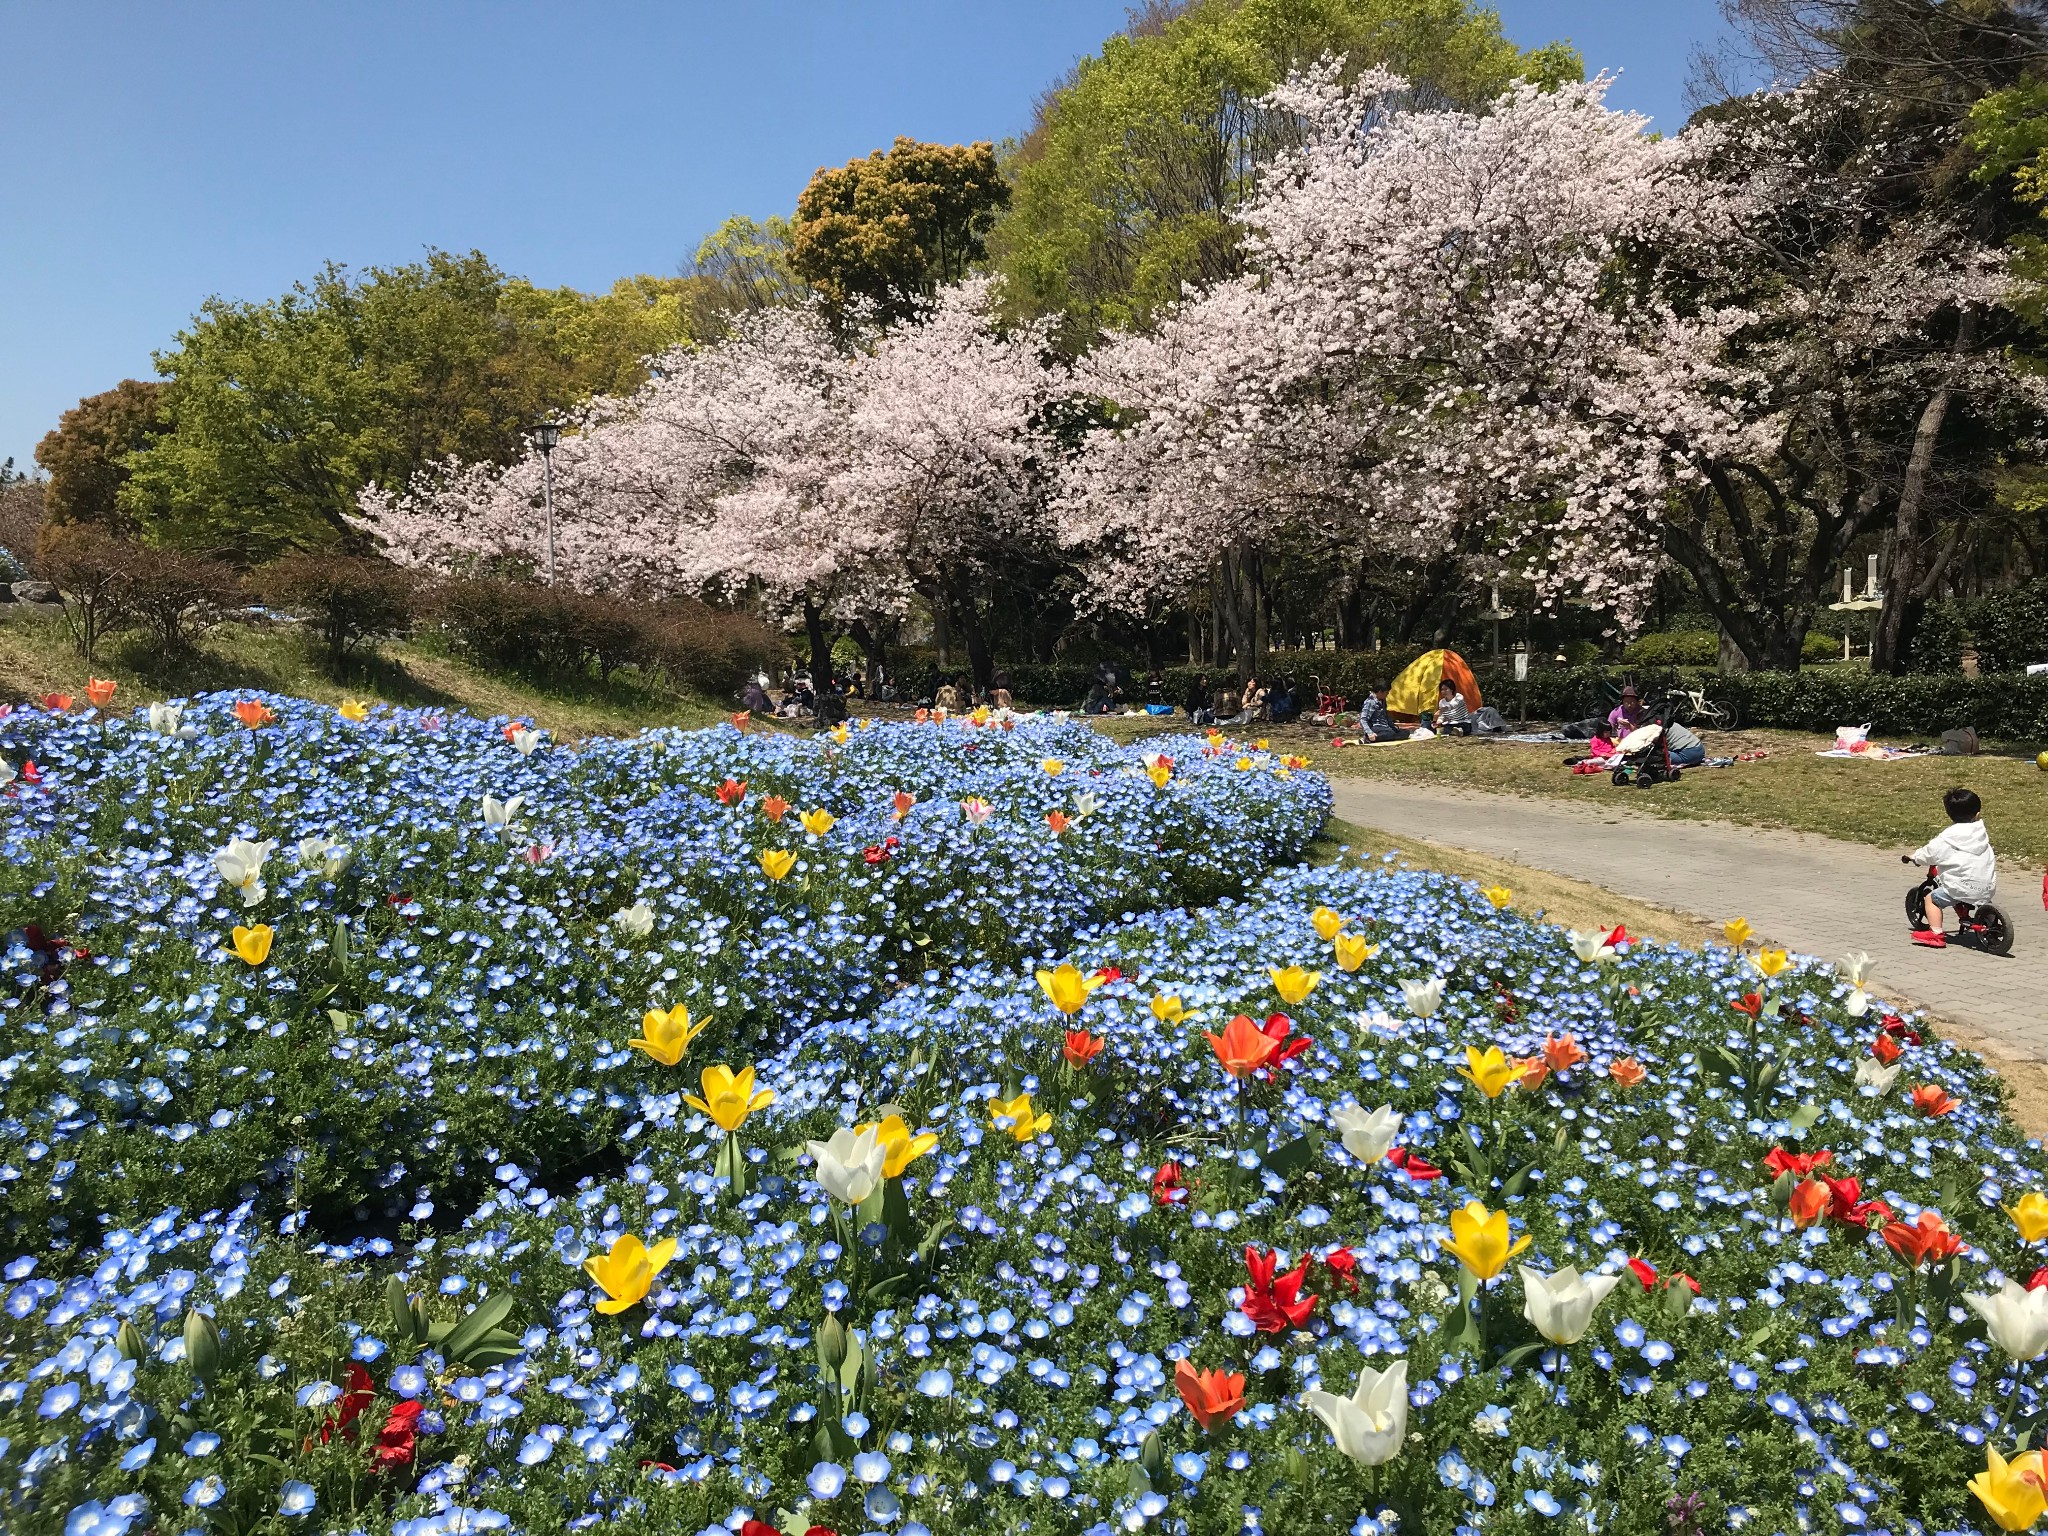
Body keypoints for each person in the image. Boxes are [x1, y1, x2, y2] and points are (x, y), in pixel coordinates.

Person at [1902, 787, 1997, 948]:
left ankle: (1936, 934)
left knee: (1931, 899)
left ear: (1949, 814)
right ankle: (1991, 927)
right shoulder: (1981, 833)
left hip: (1960, 887)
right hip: (1987, 886)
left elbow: (1930, 853)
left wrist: (1915, 857)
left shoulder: (1948, 837)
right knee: (1972, 891)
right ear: (1978, 814)